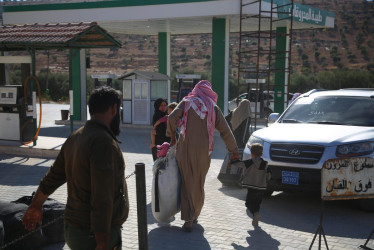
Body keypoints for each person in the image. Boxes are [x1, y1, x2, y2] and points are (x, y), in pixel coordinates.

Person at [22, 87, 129, 250]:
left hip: (74, 231)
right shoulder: (103, 143)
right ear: (114, 109)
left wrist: (36, 205)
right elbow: (102, 196)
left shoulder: (76, 136)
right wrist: (102, 243)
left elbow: (53, 176)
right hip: (94, 235)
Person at [166, 80, 239, 232]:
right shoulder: (213, 107)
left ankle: (189, 217)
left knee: (187, 182)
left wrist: (172, 136)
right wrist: (234, 150)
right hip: (204, 152)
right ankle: (192, 216)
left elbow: (172, 118)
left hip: (184, 150)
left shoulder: (186, 102)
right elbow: (226, 131)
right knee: (198, 182)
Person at [232, 143, 269, 228]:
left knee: (248, 203)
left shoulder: (249, 162)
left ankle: (255, 213)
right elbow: (269, 174)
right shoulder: (265, 163)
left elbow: (239, 164)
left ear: (251, 153)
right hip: (261, 188)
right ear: (261, 154)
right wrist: (265, 180)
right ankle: (256, 214)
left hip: (252, 187)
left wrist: (233, 160)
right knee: (257, 204)